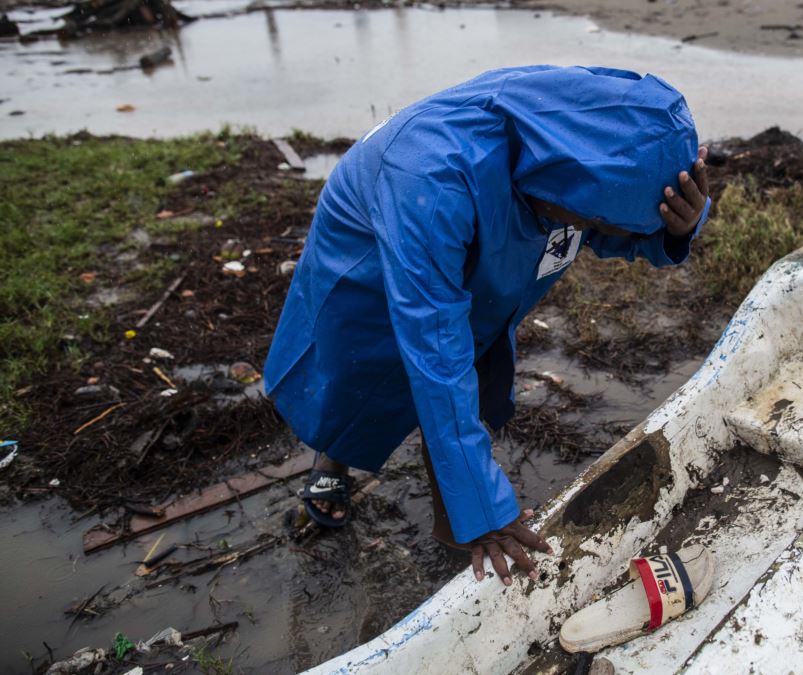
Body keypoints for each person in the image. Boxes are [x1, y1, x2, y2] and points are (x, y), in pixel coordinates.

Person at [263, 65, 710, 586]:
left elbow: (613, 226)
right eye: (592, 222)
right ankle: (334, 460)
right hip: (372, 250)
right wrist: (486, 511)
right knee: (361, 372)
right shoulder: (429, 177)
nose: (593, 231)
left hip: (484, 230)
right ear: (569, 195)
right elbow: (436, 351)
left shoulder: (580, 157)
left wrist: (678, 225)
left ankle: (457, 505)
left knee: (476, 356)